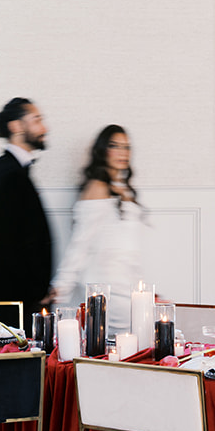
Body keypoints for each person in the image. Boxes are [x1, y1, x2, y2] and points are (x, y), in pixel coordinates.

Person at [51, 125, 145, 335]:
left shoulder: (123, 189)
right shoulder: (97, 188)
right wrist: (61, 287)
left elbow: (131, 251)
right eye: (115, 146)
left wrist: (144, 292)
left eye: (126, 147)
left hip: (129, 289)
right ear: (102, 150)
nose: (123, 152)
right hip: (109, 293)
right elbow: (80, 245)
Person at [0, 97, 54, 316]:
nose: (44, 128)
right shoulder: (9, 174)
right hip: (19, 303)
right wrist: (36, 293)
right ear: (15, 126)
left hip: (27, 299)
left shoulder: (14, 170)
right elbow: (9, 245)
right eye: (36, 120)